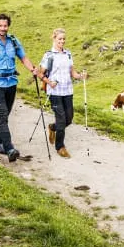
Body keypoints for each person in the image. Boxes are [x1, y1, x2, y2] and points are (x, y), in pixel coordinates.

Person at [0, 13, 39, 162]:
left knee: (4, 115)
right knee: (3, 115)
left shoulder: (13, 41)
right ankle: (9, 148)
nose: (3, 28)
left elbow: (23, 57)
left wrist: (32, 69)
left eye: (5, 25)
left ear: (8, 26)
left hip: (11, 83)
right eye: (0, 26)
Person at [38, 28, 88, 158]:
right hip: (54, 92)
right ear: (54, 38)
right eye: (60, 39)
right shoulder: (49, 55)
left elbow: (73, 73)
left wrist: (81, 76)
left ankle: (52, 128)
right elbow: (40, 73)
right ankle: (60, 147)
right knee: (61, 119)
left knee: (69, 119)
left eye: (64, 39)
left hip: (68, 91)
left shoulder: (68, 54)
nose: (62, 41)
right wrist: (49, 82)